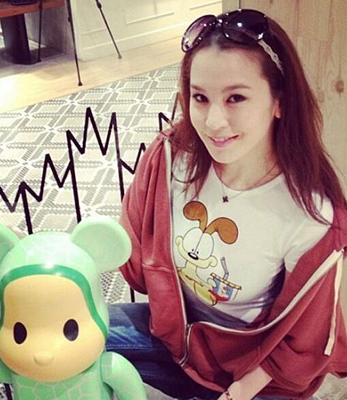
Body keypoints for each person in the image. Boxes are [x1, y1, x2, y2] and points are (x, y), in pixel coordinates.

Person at [105, 8, 347, 400]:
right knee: (60, 337)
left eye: (236, 98)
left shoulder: (311, 216)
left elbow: (305, 338)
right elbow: (126, 252)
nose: (213, 121)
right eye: (200, 97)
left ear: (279, 101)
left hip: (250, 367)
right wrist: (47, 258)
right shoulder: (171, 159)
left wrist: (238, 392)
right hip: (173, 337)